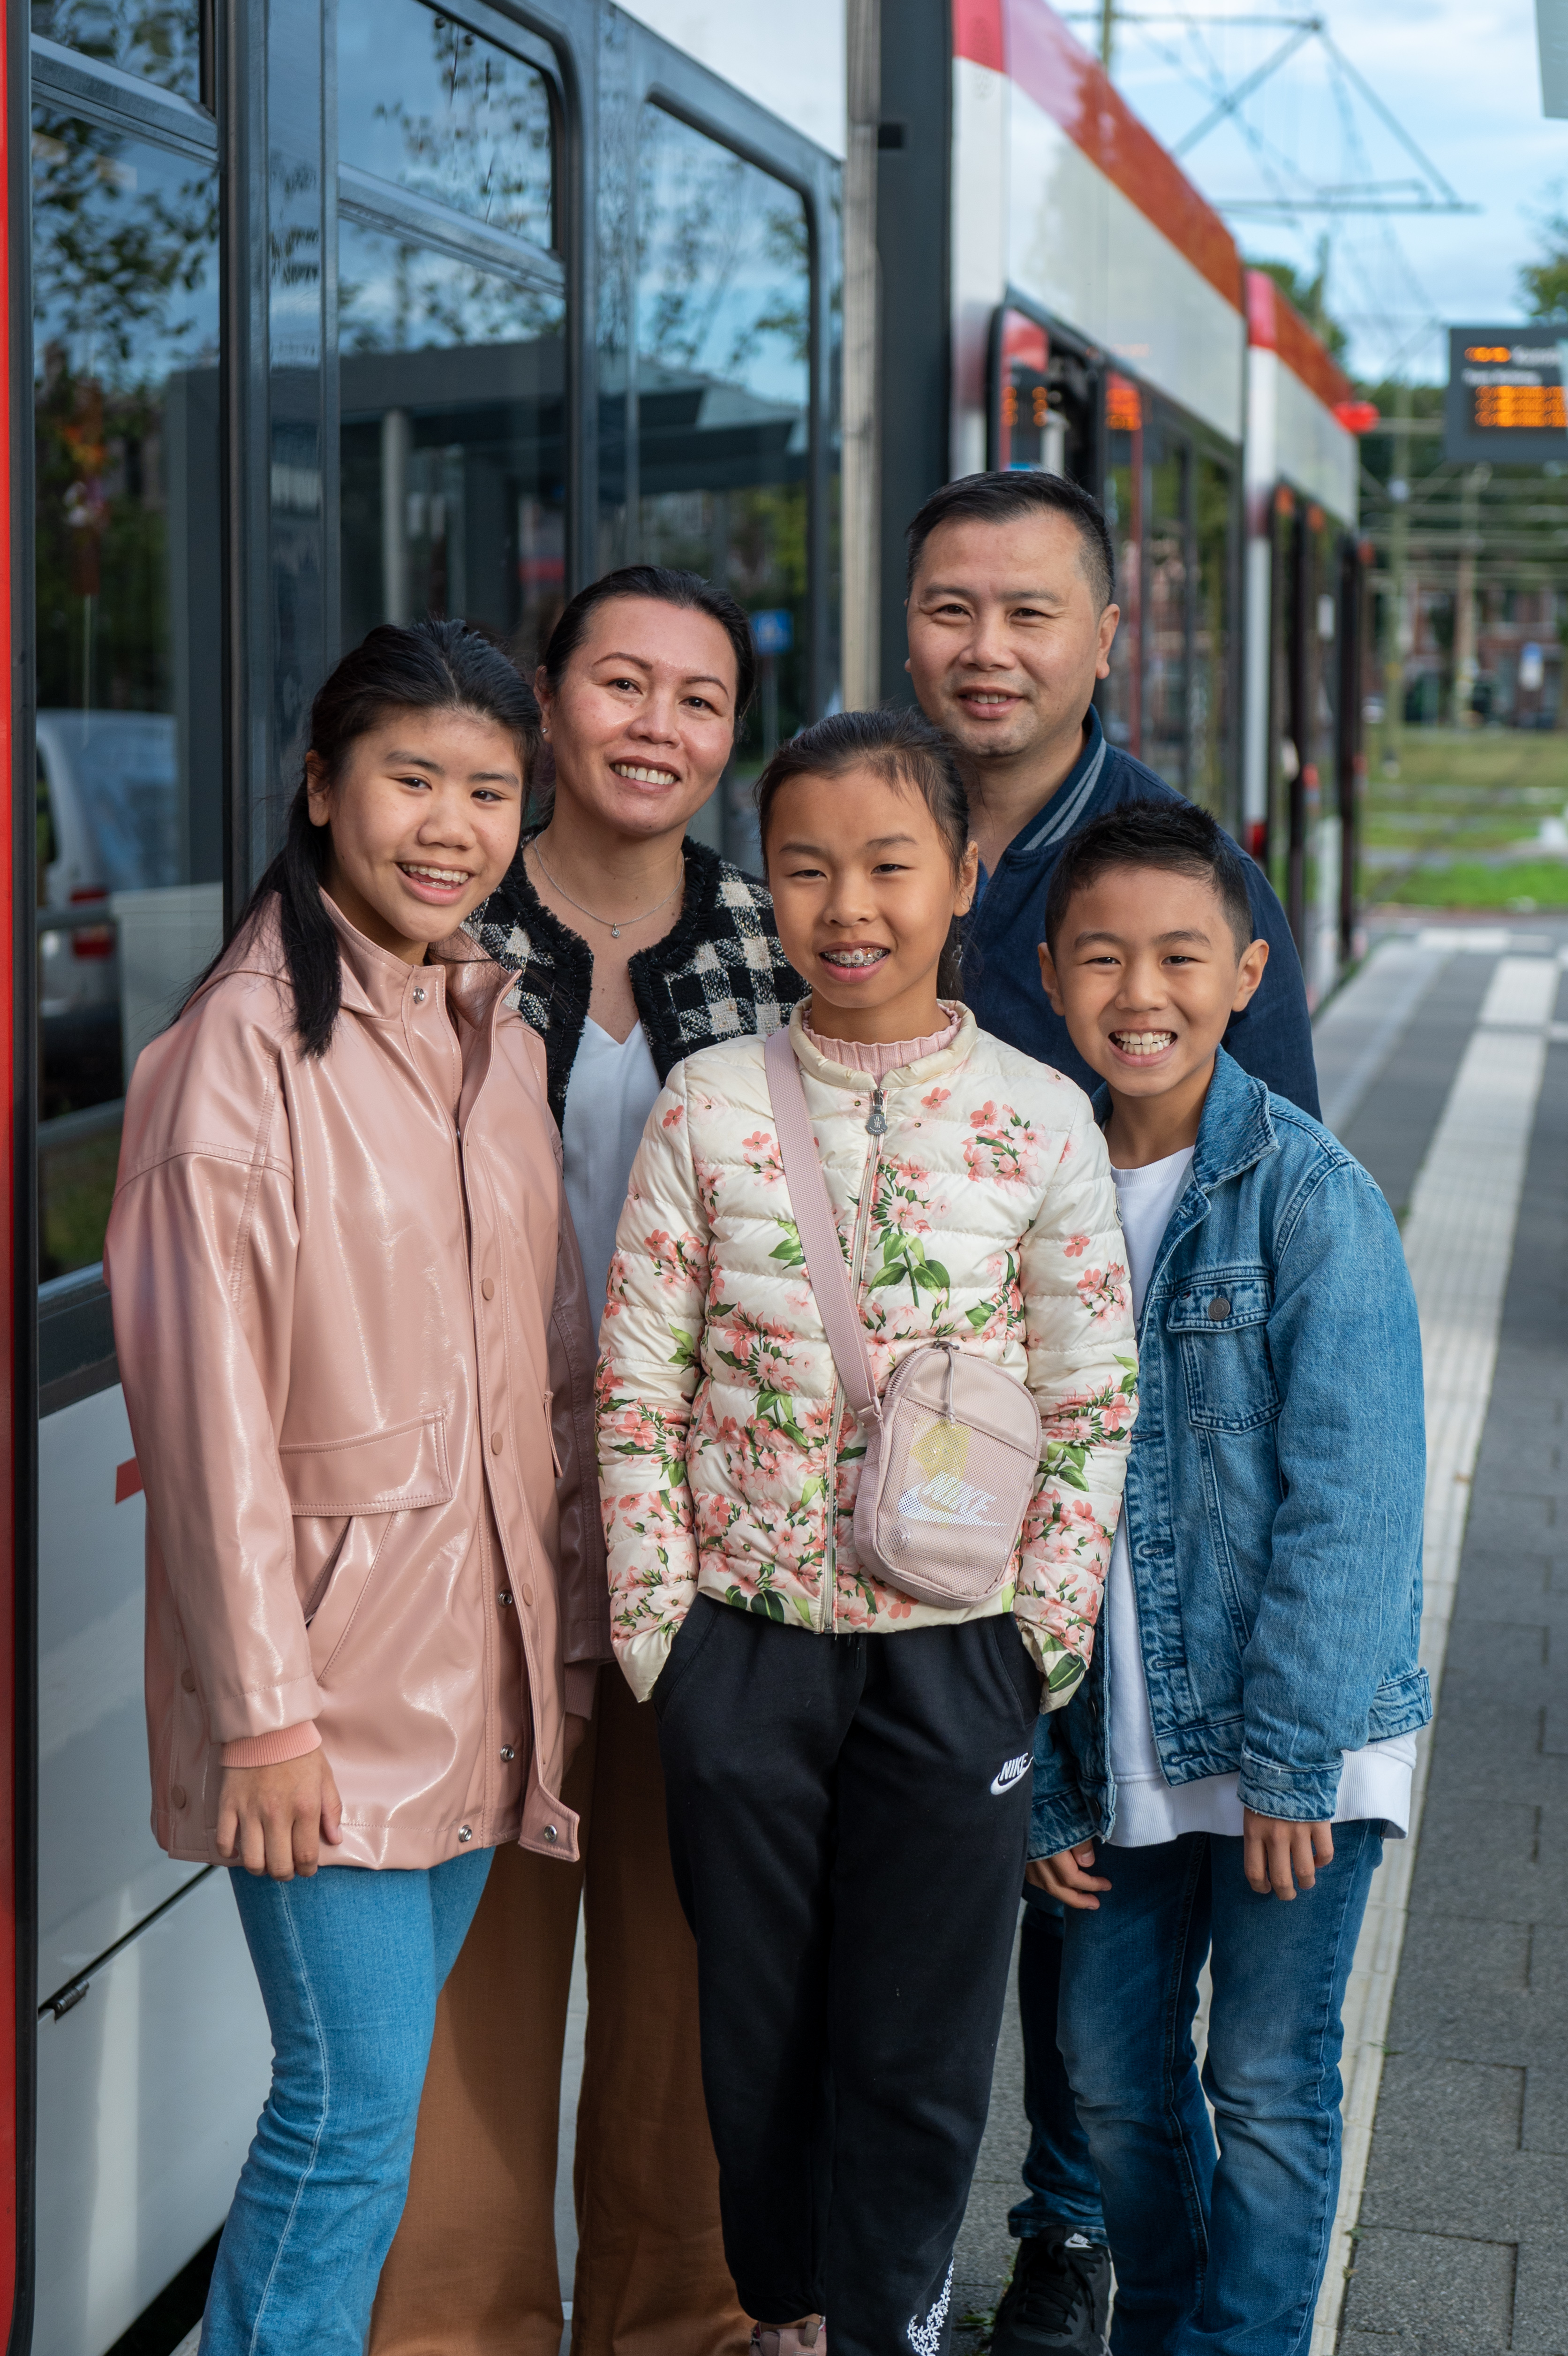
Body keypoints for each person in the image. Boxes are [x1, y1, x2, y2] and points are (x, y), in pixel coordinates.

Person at [596, 707, 1137, 2356]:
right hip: (741, 1654)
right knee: (756, 2023)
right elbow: (637, 1380)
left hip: (955, 1659)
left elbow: (1091, 1397)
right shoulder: (706, 1102)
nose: (848, 908)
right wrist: (664, 1639)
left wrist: (1033, 1646)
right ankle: (785, 2312)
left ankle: (890, 2317)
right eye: (807, 868)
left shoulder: (1040, 1114)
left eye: (889, 866)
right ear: (767, 886)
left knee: (919, 2036)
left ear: (961, 877)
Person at [103, 621, 605, 2354]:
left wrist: (567, 1647)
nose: (451, 827)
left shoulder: (495, 1029)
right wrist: (264, 1722)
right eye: (412, 780)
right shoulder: (234, 1056)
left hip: (479, 1673)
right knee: (345, 2116)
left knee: (359, 2118)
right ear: (322, 789)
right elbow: (206, 1432)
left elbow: (542, 1367)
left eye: (490, 791)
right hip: (325, 1698)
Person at [901, 467, 1321, 2355]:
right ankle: (881, 2242)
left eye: (1028, 612)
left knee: (1083, 1876)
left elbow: (1260, 1181)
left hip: (1105, 1466)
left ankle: (1065, 2228)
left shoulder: (1175, 869)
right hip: (874, 1465)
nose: (985, 649)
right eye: (950, 608)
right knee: (924, 1864)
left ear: (1103, 636)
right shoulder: (865, 817)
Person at [373, 566, 805, 2356]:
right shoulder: (435, 922)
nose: (658, 727)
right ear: (546, 703)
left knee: (691, 1964)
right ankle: (455, 2328)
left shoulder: (781, 938)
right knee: (471, 1966)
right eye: (622, 684)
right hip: (474, 1547)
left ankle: (676, 2322)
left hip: (711, 1550)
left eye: (700, 700)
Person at [1028, 799, 1428, 2356]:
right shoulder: (1035, 1185)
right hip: (1111, 1743)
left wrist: (1289, 1764)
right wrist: (1045, 1779)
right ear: (1051, 975)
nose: (1141, 993)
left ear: (1246, 973)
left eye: (1180, 956)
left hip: (1289, 1748)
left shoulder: (1310, 1199)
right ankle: (1168, 2326)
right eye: (1102, 957)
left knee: (1262, 2081)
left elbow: (1354, 1507)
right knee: (1108, 2079)